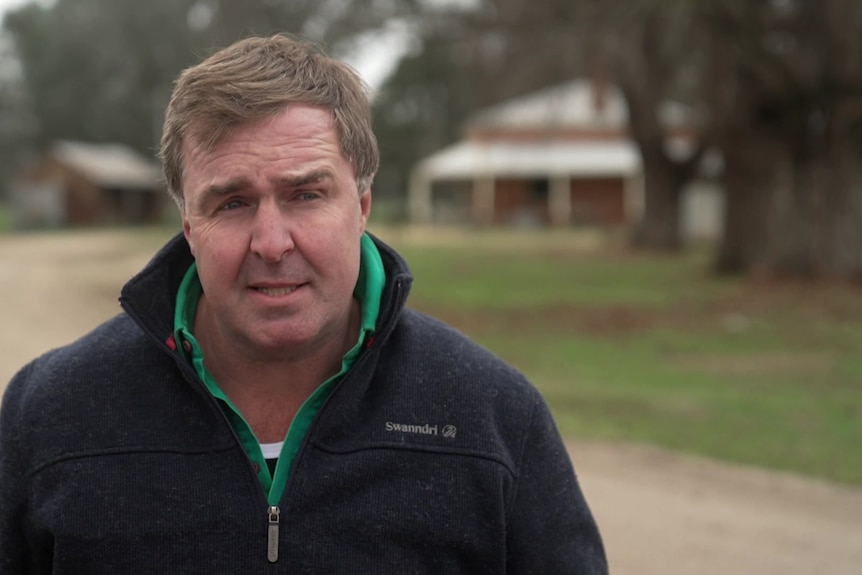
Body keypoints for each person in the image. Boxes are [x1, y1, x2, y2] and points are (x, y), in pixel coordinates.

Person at [0, 34, 607, 574]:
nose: (271, 243)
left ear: (362, 207)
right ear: (188, 224)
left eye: (306, 194)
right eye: (232, 203)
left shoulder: (491, 415)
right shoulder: (49, 413)